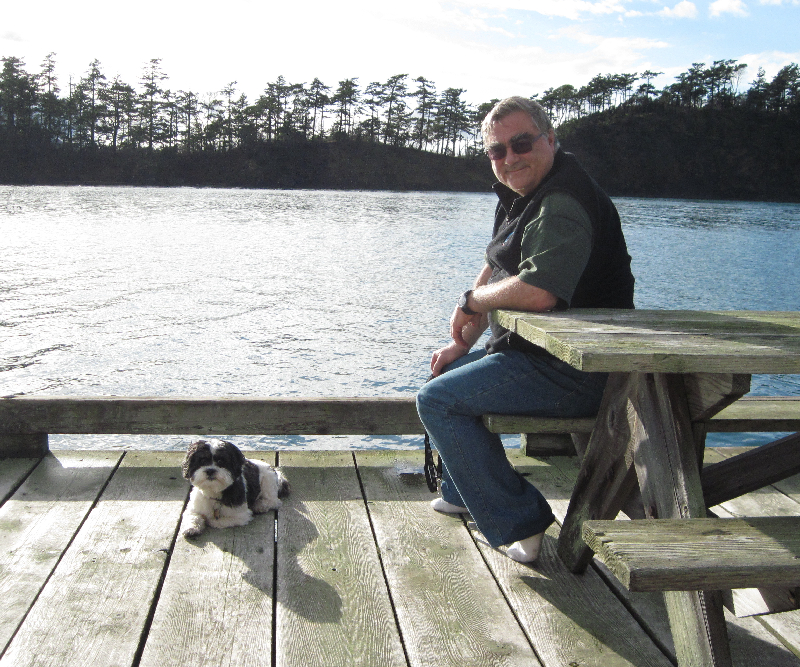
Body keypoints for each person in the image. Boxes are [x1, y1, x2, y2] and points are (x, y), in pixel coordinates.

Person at [416, 96, 634, 563]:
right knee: (445, 378)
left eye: (521, 144)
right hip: (543, 355)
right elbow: (496, 265)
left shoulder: (561, 203)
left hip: (580, 369)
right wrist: (462, 341)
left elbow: (538, 292)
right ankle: (463, 493)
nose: (510, 158)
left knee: (438, 401)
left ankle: (525, 524)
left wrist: (471, 302)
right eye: (497, 151)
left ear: (550, 140)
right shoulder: (524, 195)